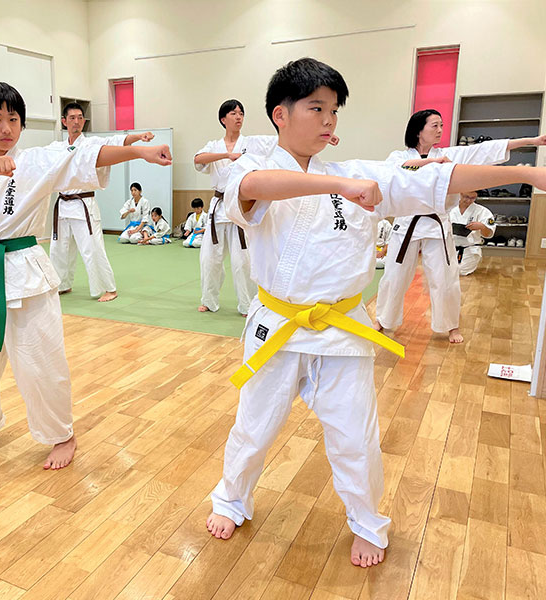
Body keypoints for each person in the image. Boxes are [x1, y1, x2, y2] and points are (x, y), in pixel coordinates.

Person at [204, 57, 546, 569]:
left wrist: (523, 171)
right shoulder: (251, 171)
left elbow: (441, 177)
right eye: (316, 108)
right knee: (253, 428)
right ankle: (232, 498)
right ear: (280, 113)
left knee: (354, 436)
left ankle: (367, 521)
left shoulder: (359, 174)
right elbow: (254, 191)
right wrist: (336, 188)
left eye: (334, 111)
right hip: (277, 325)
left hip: (342, 331)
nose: (328, 121)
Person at [0, 82, 171, 468]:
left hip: (25, 267)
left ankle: (62, 434)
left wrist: (137, 151)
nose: (7, 127)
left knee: (41, 357)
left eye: (14, 119)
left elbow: (87, 155)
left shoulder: (38, 160)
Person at [374, 108, 546, 343]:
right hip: (406, 224)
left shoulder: (450, 154)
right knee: (394, 276)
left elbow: (484, 151)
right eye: (434, 125)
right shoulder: (398, 157)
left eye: (442, 125)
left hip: (437, 223)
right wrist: (434, 162)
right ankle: (384, 319)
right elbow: (401, 171)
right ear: (418, 131)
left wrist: (533, 140)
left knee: (445, 277)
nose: (440, 130)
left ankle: (450, 325)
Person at [194, 100, 339, 315]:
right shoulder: (213, 145)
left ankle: (246, 304)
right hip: (218, 208)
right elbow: (198, 160)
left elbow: (284, 140)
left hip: (240, 206)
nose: (239, 116)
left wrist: (317, 135)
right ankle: (208, 299)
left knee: (242, 261)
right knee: (209, 258)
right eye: (233, 113)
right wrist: (227, 155)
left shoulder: (252, 142)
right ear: (223, 119)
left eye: (241, 113)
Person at [48, 102, 154, 301]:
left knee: (93, 248)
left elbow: (116, 140)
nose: (77, 121)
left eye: (80, 117)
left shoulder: (91, 143)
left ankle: (109, 288)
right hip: (62, 205)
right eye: (72, 118)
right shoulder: (56, 148)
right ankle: (62, 284)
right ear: (64, 121)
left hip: (83, 204)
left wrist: (138, 137)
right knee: (59, 248)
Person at [449, 191, 496, 275]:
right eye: (466, 197)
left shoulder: (482, 211)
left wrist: (482, 226)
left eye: (472, 198)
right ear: (460, 193)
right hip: (449, 248)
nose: (469, 200)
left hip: (469, 249)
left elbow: (488, 234)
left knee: (460, 271)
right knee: (442, 272)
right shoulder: (449, 208)